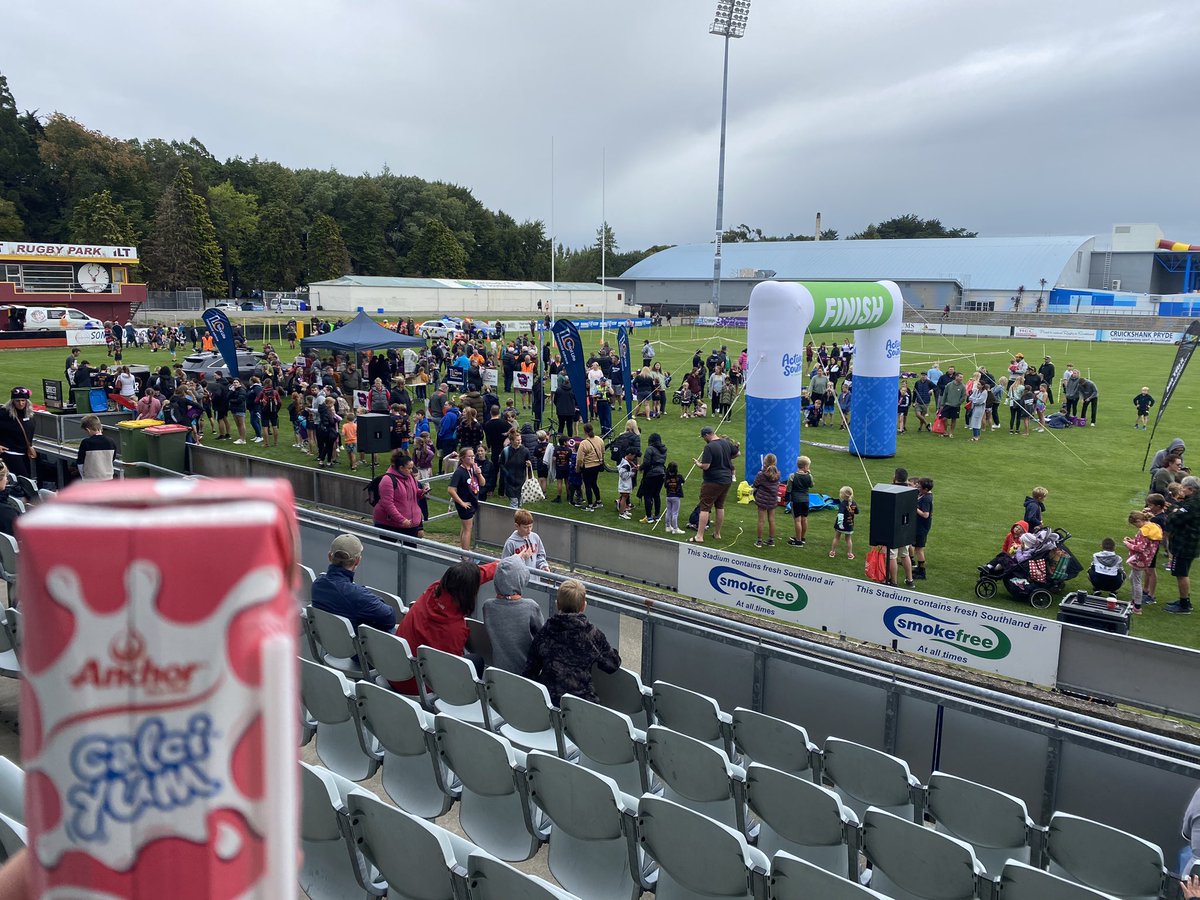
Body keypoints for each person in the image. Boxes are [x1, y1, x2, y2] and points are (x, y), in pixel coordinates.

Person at [391, 556, 508, 693]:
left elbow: (464, 579)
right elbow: (452, 669)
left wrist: (502, 564)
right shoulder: (456, 630)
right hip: (417, 687)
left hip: (393, 670)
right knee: (476, 661)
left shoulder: (432, 590)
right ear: (470, 593)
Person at [524, 578, 621, 705]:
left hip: (548, 702)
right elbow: (612, 664)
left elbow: (530, 671)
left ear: (557, 604)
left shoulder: (545, 631)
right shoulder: (591, 633)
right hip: (582, 705)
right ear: (583, 606)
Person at [311, 533, 397, 632]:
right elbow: (390, 617)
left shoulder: (317, 585)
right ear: (357, 561)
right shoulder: (357, 595)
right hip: (355, 646)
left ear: (329, 556)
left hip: (329, 642)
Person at [482, 555, 545, 674]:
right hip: (527, 676)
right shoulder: (531, 607)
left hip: (499, 674)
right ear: (521, 578)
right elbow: (542, 636)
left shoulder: (488, 606)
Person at [691, 426, 739, 544]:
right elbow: (738, 453)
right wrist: (728, 457)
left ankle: (699, 536)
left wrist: (698, 464)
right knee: (720, 506)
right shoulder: (726, 442)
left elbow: (706, 466)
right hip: (726, 479)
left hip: (713, 480)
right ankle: (717, 534)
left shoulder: (709, 447)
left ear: (707, 435)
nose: (703, 439)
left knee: (705, 507)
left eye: (703, 437)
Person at [1164, 475, 1200, 615]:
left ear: (1190, 489)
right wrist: (1176, 508)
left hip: (1185, 543)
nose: (1181, 489)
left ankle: (1184, 604)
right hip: (1190, 542)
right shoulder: (1192, 501)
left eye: (1183, 487)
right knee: (1181, 572)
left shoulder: (1192, 504)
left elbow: (1173, 520)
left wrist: (1174, 511)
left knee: (1181, 573)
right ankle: (1184, 601)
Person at [374, 449, 426, 538]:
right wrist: (401, 520)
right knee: (389, 550)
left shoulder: (409, 477)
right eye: (409, 468)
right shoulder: (387, 480)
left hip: (409, 523)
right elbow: (387, 504)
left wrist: (421, 492)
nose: (411, 471)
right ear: (401, 468)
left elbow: (414, 492)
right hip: (390, 524)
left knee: (410, 550)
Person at [1124, 510, 1162, 614]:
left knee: (1136, 581)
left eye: (1135, 524)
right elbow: (1147, 545)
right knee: (1132, 578)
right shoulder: (1155, 527)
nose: (1136, 527)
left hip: (1139, 559)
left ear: (1139, 521)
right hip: (1148, 558)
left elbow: (1140, 548)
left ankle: (1137, 606)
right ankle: (1134, 601)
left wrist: (1128, 544)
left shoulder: (1143, 531)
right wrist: (1132, 541)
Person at [448, 446, 483, 551]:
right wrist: (461, 503)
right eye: (469, 456)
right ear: (462, 458)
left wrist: (479, 473)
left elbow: (482, 483)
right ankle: (466, 555)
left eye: (473, 456)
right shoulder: (459, 472)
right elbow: (450, 490)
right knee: (468, 529)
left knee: (464, 528)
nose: (472, 458)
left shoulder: (473, 469)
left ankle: (463, 549)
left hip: (473, 500)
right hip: (466, 503)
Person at [0, 388, 35, 479]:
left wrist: (30, 446)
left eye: (23, 400)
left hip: (24, 453)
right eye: (17, 401)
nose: (20, 403)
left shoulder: (29, 413)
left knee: (27, 479)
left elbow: (29, 431)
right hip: (10, 452)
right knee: (23, 480)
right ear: (12, 401)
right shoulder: (3, 414)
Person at [75, 414, 116, 482]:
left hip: (91, 479)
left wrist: (83, 477)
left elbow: (80, 463)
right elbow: (112, 459)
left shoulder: (86, 442)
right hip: (108, 477)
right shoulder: (111, 442)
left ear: (88, 430)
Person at [575, 423, 606, 511]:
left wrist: (578, 468)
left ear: (585, 431)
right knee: (594, 483)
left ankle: (590, 505)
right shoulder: (599, 440)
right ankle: (598, 501)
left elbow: (579, 459)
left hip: (588, 466)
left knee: (588, 485)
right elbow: (603, 452)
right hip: (597, 465)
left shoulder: (584, 443)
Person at [753, 453, 781, 548]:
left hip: (762, 499)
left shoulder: (761, 474)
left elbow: (755, 484)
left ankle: (759, 541)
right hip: (772, 499)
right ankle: (771, 540)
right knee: (772, 520)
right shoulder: (778, 473)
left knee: (761, 520)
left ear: (765, 462)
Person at [639, 433, 667, 523]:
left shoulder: (649, 449)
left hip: (651, 474)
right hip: (662, 473)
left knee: (648, 495)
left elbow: (646, 463)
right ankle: (657, 515)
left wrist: (640, 468)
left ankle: (649, 517)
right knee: (656, 494)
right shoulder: (663, 450)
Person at [786, 456, 813, 547]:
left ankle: (798, 541)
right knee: (804, 519)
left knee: (797, 520)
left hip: (796, 500)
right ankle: (802, 537)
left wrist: (786, 499)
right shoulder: (809, 476)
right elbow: (811, 485)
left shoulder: (792, 476)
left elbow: (788, 489)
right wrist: (809, 474)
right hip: (806, 500)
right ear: (805, 466)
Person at [829, 485, 858, 560]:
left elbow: (840, 514)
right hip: (849, 524)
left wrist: (840, 524)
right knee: (848, 539)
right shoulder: (854, 503)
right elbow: (857, 511)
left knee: (836, 537)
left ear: (842, 496)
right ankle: (850, 554)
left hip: (841, 525)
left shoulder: (842, 504)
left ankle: (832, 552)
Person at [913, 477, 934, 579]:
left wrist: (915, 508)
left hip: (922, 527)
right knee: (917, 548)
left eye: (920, 487)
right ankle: (919, 568)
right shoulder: (925, 495)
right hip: (920, 526)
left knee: (919, 549)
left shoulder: (926, 499)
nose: (918, 488)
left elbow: (925, 514)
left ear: (925, 489)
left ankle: (922, 572)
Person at [940, 372, 966, 438]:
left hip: (956, 406)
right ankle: (945, 431)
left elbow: (963, 396)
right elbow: (945, 394)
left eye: (962, 377)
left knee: (954, 419)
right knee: (944, 418)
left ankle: (951, 432)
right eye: (960, 377)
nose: (961, 378)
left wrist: (958, 403)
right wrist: (942, 404)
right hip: (947, 405)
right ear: (956, 377)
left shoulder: (962, 386)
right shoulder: (949, 385)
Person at [663, 461, 686, 535]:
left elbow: (665, 486)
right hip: (676, 497)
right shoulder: (679, 477)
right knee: (675, 513)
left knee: (668, 512)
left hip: (668, 496)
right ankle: (675, 528)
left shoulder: (666, 477)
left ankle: (667, 526)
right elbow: (683, 481)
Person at [616, 449, 638, 520]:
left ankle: (624, 510)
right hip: (624, 484)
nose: (633, 458)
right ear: (629, 454)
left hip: (625, 483)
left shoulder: (625, 461)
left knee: (625, 497)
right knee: (624, 497)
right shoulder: (626, 464)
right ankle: (621, 513)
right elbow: (623, 475)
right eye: (633, 456)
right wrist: (632, 473)